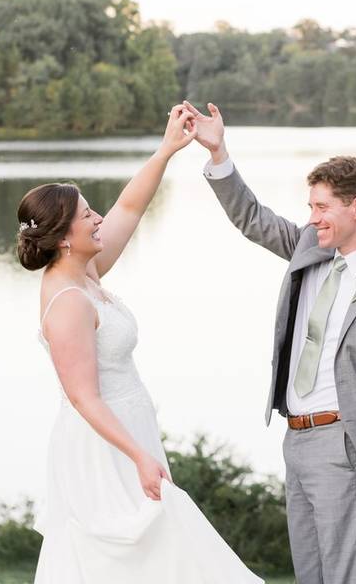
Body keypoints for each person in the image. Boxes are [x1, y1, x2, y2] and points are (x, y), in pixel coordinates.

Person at [185, 100, 356, 584]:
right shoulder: (310, 246)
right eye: (311, 207)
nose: (313, 217)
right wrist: (218, 152)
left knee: (343, 574)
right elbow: (251, 218)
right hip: (295, 438)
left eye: (322, 207)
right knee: (310, 574)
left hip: (344, 443)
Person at [19, 104, 262, 583]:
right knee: (141, 552)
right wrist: (138, 455)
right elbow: (83, 396)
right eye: (87, 214)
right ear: (64, 237)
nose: (96, 219)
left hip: (128, 430)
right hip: (104, 445)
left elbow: (129, 206)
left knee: (157, 556)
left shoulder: (83, 272)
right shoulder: (68, 300)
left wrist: (168, 149)